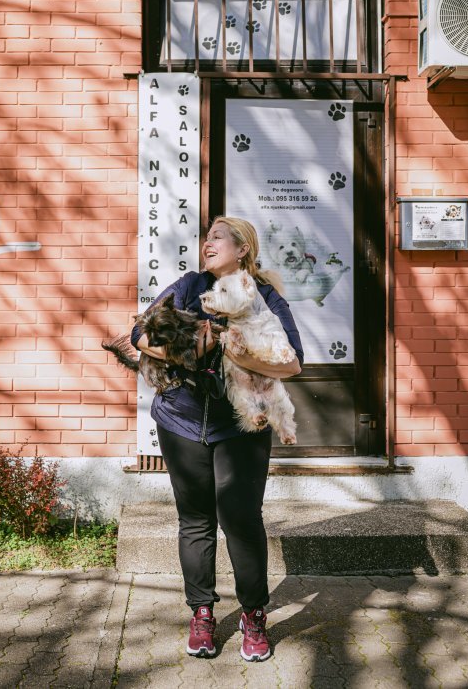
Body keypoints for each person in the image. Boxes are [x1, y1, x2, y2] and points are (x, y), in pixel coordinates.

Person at [131, 216, 303, 662]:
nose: (207, 243)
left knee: (242, 521)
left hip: (240, 427)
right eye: (205, 237)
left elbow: (294, 363)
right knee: (195, 520)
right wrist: (193, 352)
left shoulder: (265, 298)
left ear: (242, 248)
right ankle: (202, 613)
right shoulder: (189, 287)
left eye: (217, 238)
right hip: (182, 420)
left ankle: (253, 615)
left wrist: (243, 354)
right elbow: (140, 335)